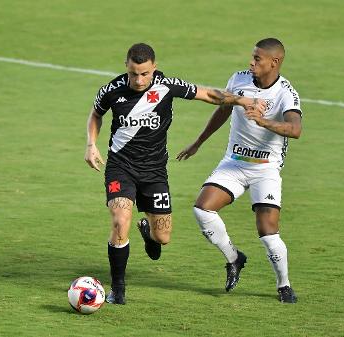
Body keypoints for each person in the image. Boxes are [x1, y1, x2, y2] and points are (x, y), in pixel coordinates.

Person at [84, 43, 266, 305]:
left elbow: (208, 95)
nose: (139, 79)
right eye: (134, 73)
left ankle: (148, 232)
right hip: (120, 167)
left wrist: (243, 100)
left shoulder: (167, 86)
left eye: (145, 73)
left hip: (154, 171)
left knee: (163, 238)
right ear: (126, 66)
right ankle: (118, 290)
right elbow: (95, 115)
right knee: (119, 220)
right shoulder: (112, 90)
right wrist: (91, 144)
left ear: (154, 68)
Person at [176, 38, 302, 303]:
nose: (251, 62)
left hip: (266, 168)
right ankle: (234, 258)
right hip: (234, 162)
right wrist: (198, 142)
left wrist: (263, 121)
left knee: (268, 232)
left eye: (257, 59)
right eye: (252, 57)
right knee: (202, 208)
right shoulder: (239, 79)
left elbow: (295, 129)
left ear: (274, 62)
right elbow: (223, 111)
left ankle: (284, 285)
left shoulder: (285, 93)